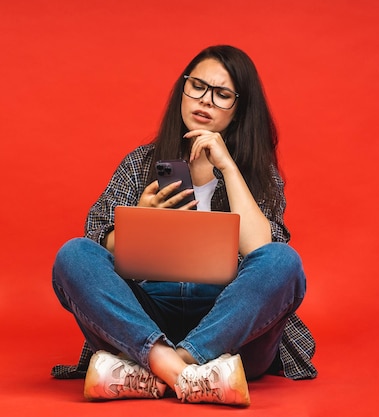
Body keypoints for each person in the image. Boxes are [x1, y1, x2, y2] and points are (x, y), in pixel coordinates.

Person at [52, 45, 317, 406]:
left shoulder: (255, 173)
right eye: (197, 86)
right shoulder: (139, 163)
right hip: (144, 317)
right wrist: (141, 221)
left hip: (229, 324)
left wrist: (228, 167)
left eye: (222, 94)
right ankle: (182, 372)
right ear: (183, 90)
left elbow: (263, 251)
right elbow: (95, 248)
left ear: (238, 111)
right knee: (74, 255)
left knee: (283, 261)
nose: (205, 100)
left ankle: (161, 369)